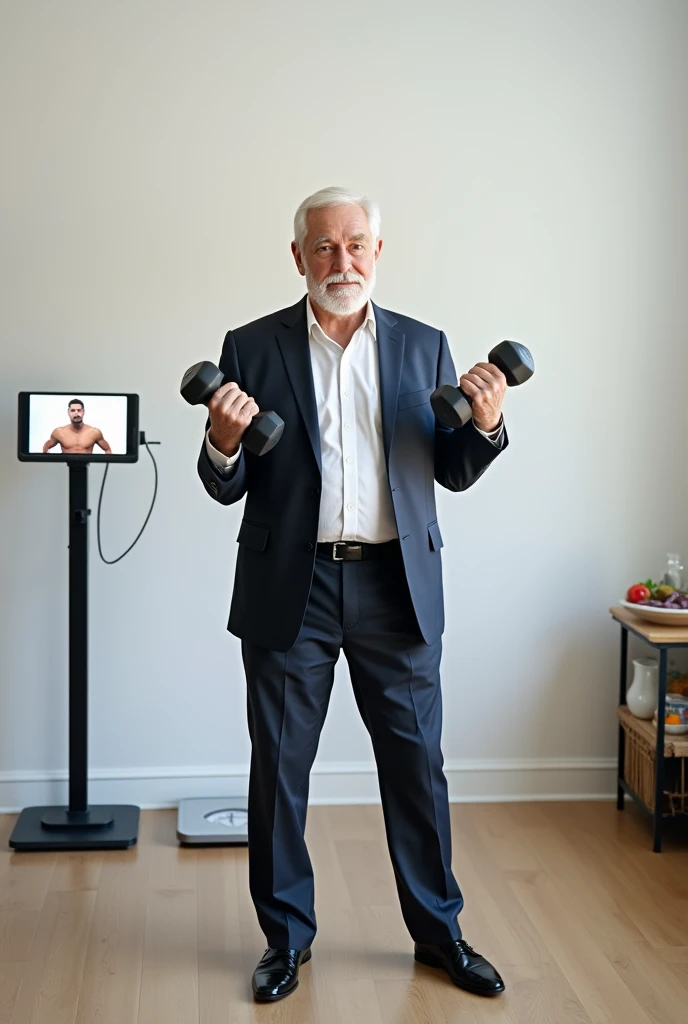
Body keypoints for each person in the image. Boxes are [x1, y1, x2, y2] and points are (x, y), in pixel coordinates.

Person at [197, 187, 509, 1004]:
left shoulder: (424, 345)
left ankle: (440, 934)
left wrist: (485, 423)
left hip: (394, 585)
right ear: (298, 256)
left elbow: (452, 469)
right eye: (326, 248)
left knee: (416, 767)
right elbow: (223, 484)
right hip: (289, 590)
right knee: (280, 770)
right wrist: (223, 443)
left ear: (378, 252)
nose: (343, 262)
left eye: (357, 245)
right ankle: (285, 942)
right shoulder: (250, 345)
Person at [42, 399, 112, 455]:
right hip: (66, 467)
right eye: (73, 410)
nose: (76, 413)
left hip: (86, 466)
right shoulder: (59, 432)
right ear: (68, 412)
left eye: (79, 410)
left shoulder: (94, 432)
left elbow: (107, 449)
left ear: (83, 412)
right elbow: (47, 446)